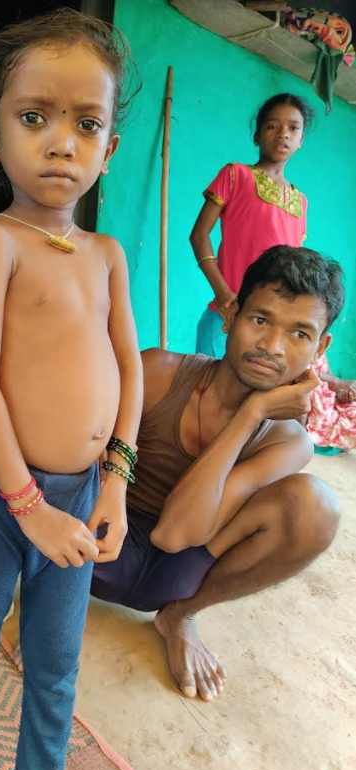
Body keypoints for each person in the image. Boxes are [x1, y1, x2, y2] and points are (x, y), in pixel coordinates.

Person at [0, 10, 143, 770]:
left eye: (86, 123)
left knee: (55, 668)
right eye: (32, 118)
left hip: (83, 499)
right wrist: (27, 507)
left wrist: (114, 481)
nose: (61, 142)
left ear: (109, 149)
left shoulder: (107, 256)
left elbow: (130, 369)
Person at [91, 245, 343, 702]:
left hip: (177, 575)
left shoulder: (287, 440)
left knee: (316, 506)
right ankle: (41, 593)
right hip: (95, 548)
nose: (272, 347)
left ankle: (180, 617)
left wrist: (252, 415)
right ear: (231, 314)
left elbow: (174, 535)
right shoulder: (159, 372)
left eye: (300, 333)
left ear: (321, 347)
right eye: (260, 320)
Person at [191, 93, 314, 359]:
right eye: (272, 126)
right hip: (227, 317)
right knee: (209, 394)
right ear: (257, 136)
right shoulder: (235, 175)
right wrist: (224, 295)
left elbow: (294, 270)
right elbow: (198, 235)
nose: (283, 134)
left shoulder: (300, 202)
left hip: (272, 329)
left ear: (301, 140)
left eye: (293, 128)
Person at [307, 352, 356, 451]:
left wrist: (340, 392)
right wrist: (338, 381)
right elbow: (305, 372)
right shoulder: (301, 346)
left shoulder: (320, 347)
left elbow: (328, 374)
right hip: (316, 399)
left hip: (330, 396)